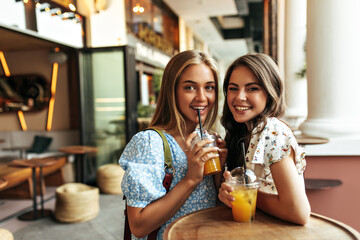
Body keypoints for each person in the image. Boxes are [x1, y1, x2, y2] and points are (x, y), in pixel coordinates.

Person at [119, 50, 227, 239]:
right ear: (172, 91)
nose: (202, 97)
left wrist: (219, 174)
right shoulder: (149, 143)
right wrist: (190, 179)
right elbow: (138, 226)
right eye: (190, 87)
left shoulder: (208, 138)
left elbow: (213, 205)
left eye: (209, 87)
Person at [218, 53, 311, 225]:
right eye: (233, 88)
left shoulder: (272, 131)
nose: (239, 96)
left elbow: (299, 213)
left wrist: (247, 192)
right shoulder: (240, 132)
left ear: (270, 92)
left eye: (252, 88)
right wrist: (227, 191)